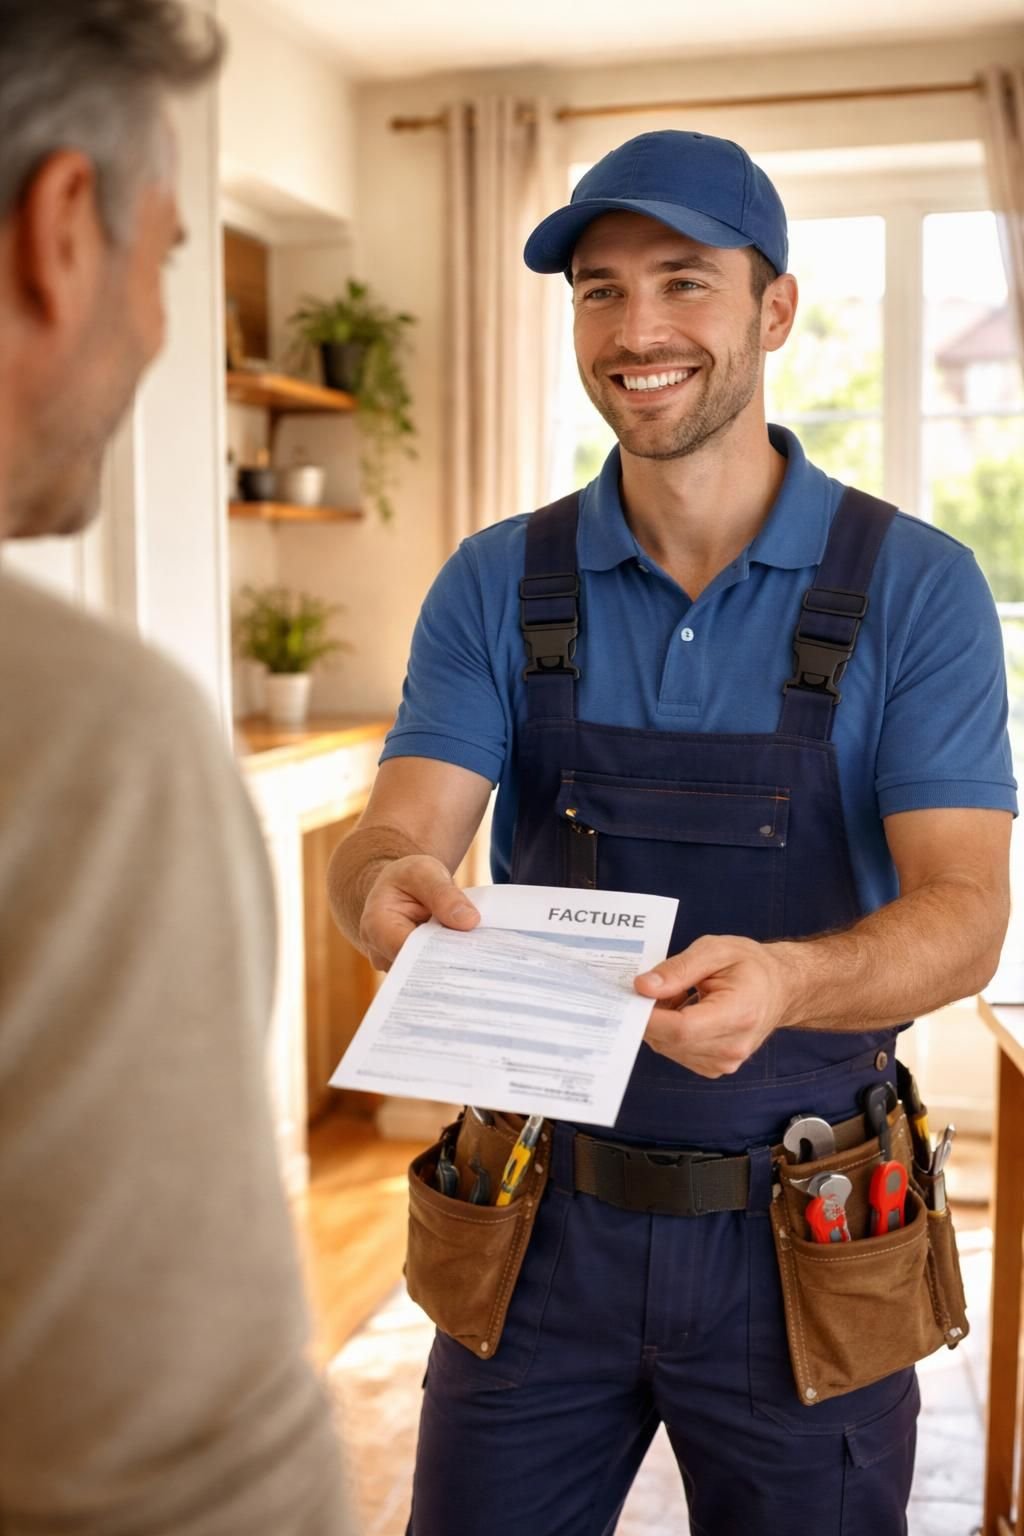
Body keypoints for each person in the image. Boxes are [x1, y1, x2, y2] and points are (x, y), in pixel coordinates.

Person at [327, 129, 1017, 1533]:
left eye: (683, 282)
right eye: (598, 289)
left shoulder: (919, 588)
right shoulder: (495, 582)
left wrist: (793, 982)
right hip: (531, 1223)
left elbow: (966, 916)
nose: (636, 330)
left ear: (773, 310)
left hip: (811, 1227)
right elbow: (391, 835)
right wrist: (380, 886)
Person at [0, 4, 355, 1530]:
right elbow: (182, 1484)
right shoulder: (79, 740)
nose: (154, 329)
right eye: (162, 254)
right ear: (61, 231)